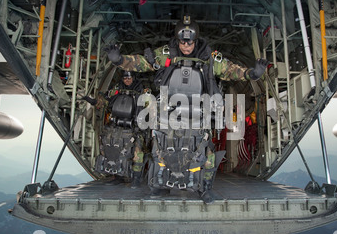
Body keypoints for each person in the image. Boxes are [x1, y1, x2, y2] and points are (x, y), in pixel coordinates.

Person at [105, 16, 268, 203]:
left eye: (189, 42)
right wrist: (119, 60)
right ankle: (159, 186)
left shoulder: (208, 57)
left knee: (204, 152)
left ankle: (204, 189)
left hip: (199, 111)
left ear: (195, 40)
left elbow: (230, 70)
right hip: (169, 111)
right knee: (161, 148)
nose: (186, 46)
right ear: (178, 40)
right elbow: (142, 63)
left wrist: (251, 74)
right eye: (182, 42)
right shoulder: (168, 54)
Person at [94, 70, 147, 189]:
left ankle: (137, 178)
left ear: (134, 78)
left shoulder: (142, 91)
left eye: (129, 78)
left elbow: (150, 107)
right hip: (117, 125)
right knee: (113, 148)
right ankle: (116, 176)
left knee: (137, 152)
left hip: (135, 126)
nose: (127, 80)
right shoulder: (117, 89)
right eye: (125, 78)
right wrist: (96, 102)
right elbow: (107, 100)